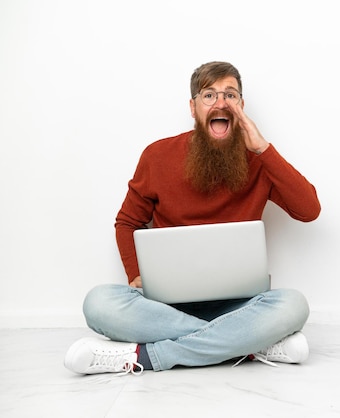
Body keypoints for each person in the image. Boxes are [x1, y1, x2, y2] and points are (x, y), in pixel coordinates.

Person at [64, 61, 321, 375]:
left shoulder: (259, 160)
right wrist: (134, 273)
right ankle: (250, 345)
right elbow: (127, 222)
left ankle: (143, 358)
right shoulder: (157, 156)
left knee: (293, 305)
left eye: (230, 95)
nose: (220, 103)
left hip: (239, 303)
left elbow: (309, 211)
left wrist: (263, 149)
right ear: (193, 106)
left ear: (241, 105)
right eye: (209, 95)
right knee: (98, 303)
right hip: (164, 306)